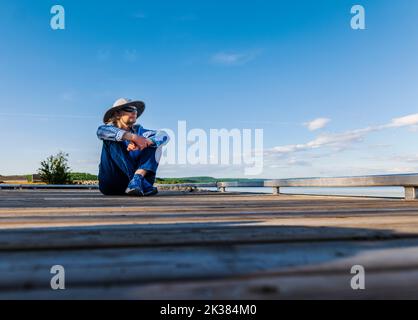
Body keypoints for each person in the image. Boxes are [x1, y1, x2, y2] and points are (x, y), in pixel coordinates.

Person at [96, 98, 170, 196]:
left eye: (135, 110)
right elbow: (101, 131)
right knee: (112, 140)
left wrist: (146, 141)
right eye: (129, 109)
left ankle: (137, 179)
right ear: (118, 114)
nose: (134, 112)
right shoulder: (108, 129)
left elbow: (164, 135)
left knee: (155, 142)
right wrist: (133, 137)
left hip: (139, 186)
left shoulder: (140, 131)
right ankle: (136, 181)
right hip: (112, 184)